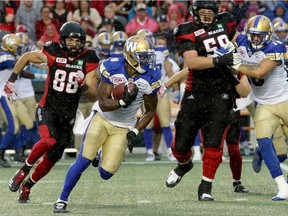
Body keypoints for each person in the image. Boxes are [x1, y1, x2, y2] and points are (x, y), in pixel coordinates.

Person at [53, 35, 162, 213]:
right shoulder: (113, 66)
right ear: (130, 55)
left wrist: (135, 130)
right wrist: (122, 102)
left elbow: (150, 110)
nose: (147, 61)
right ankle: (61, 200)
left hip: (123, 127)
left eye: (148, 57)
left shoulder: (151, 76)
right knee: (82, 161)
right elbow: (103, 102)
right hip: (102, 118)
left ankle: (100, 152)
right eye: (143, 56)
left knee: (106, 174)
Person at [5, 21, 100, 203]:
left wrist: (83, 85)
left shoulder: (89, 58)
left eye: (76, 40)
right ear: (62, 40)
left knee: (53, 158)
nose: (73, 44)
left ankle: (27, 186)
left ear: (82, 41)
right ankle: (24, 169)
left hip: (68, 115)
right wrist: (12, 79)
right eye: (69, 40)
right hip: (47, 108)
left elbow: (94, 94)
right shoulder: (53, 51)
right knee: (48, 140)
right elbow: (26, 57)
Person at [163, 0, 241, 201]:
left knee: (214, 142)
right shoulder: (186, 30)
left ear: (216, 12)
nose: (206, 15)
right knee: (180, 144)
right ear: (195, 13)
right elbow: (192, 62)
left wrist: (236, 54)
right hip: (196, 91)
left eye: (210, 12)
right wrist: (218, 60)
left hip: (222, 90)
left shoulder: (226, 21)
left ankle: (206, 187)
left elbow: (237, 39)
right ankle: (184, 164)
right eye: (203, 12)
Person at [226, 14, 288, 200]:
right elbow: (227, 35)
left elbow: (260, 73)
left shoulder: (276, 47)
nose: (255, 39)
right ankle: (282, 186)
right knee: (263, 140)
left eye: (259, 36)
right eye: (253, 35)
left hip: (284, 100)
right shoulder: (242, 40)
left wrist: (234, 62)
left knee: (282, 155)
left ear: (268, 35)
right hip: (264, 104)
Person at [0, 33, 23, 168]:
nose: (18, 48)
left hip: (5, 95)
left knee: (14, 126)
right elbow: (10, 63)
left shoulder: (7, 55)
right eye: (16, 46)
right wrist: (24, 59)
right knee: (13, 126)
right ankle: (1, 154)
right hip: (3, 95)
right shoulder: (5, 55)